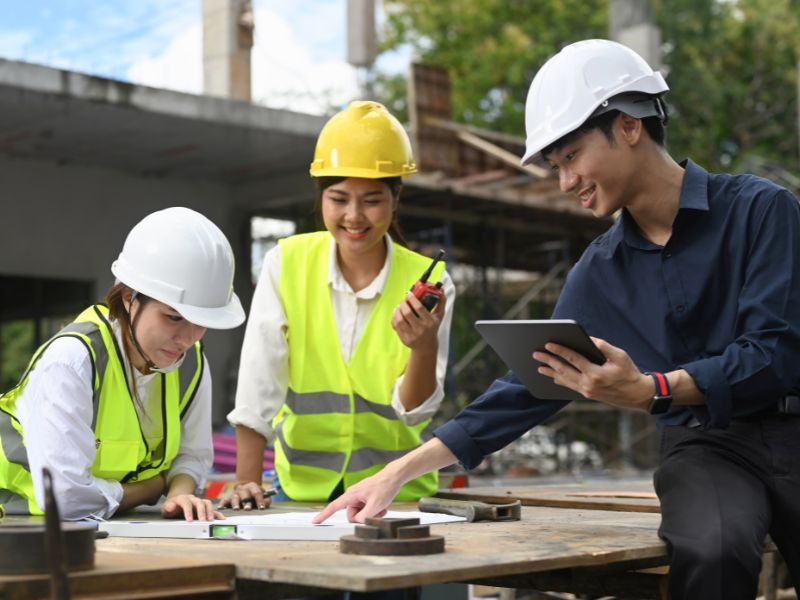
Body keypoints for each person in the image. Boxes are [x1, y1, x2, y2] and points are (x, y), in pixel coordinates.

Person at [314, 40, 800, 600]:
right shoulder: (599, 272)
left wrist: (652, 389)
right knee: (712, 549)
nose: (565, 182)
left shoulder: (762, 210)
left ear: (627, 126)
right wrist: (397, 472)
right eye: (555, 166)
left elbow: (775, 353)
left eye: (570, 157)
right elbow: (527, 388)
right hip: (705, 450)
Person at [221, 101, 455, 510]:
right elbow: (259, 381)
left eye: (371, 200)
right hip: (304, 497)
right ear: (321, 198)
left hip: (397, 498)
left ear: (395, 199)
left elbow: (415, 414)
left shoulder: (430, 283)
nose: (354, 216)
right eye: (339, 198)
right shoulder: (286, 263)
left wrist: (423, 346)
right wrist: (247, 481)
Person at [0, 207, 246, 521]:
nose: (188, 338)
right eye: (173, 317)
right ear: (129, 298)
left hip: (105, 531)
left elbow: (192, 456)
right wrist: (153, 487)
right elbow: (64, 499)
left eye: (202, 322)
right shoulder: (72, 360)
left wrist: (179, 493)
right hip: (16, 527)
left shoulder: (191, 365)